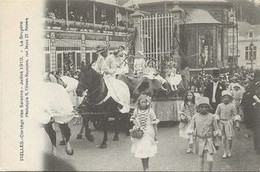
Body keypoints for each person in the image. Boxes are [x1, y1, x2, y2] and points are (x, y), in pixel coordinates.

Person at [189, 97, 220, 171]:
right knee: (200, 157)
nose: (204, 109)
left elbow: (216, 130)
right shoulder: (195, 117)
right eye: (202, 107)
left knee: (210, 160)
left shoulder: (212, 117)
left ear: (208, 107)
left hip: (209, 140)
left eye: (206, 107)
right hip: (199, 139)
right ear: (198, 108)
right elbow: (191, 129)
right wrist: (191, 140)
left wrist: (217, 143)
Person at [130, 94, 159, 171]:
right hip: (140, 133)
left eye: (145, 102)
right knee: (142, 151)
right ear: (139, 102)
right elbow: (133, 119)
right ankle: (145, 168)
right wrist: (136, 126)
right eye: (141, 102)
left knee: (147, 151)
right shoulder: (136, 110)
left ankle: (147, 168)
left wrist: (156, 134)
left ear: (147, 102)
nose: (143, 104)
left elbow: (154, 123)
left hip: (148, 133)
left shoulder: (150, 111)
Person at [215, 90, 241, 158]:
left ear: (230, 98)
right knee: (223, 137)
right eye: (224, 97)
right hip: (221, 123)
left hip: (229, 123)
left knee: (229, 138)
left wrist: (237, 123)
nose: (226, 99)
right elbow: (217, 114)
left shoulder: (232, 106)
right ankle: (225, 151)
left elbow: (235, 115)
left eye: (227, 97)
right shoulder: (219, 105)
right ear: (222, 98)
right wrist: (217, 119)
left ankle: (229, 150)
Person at [252, 70, 260, 154]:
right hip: (257, 109)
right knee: (257, 128)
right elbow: (251, 94)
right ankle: (258, 147)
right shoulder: (254, 85)